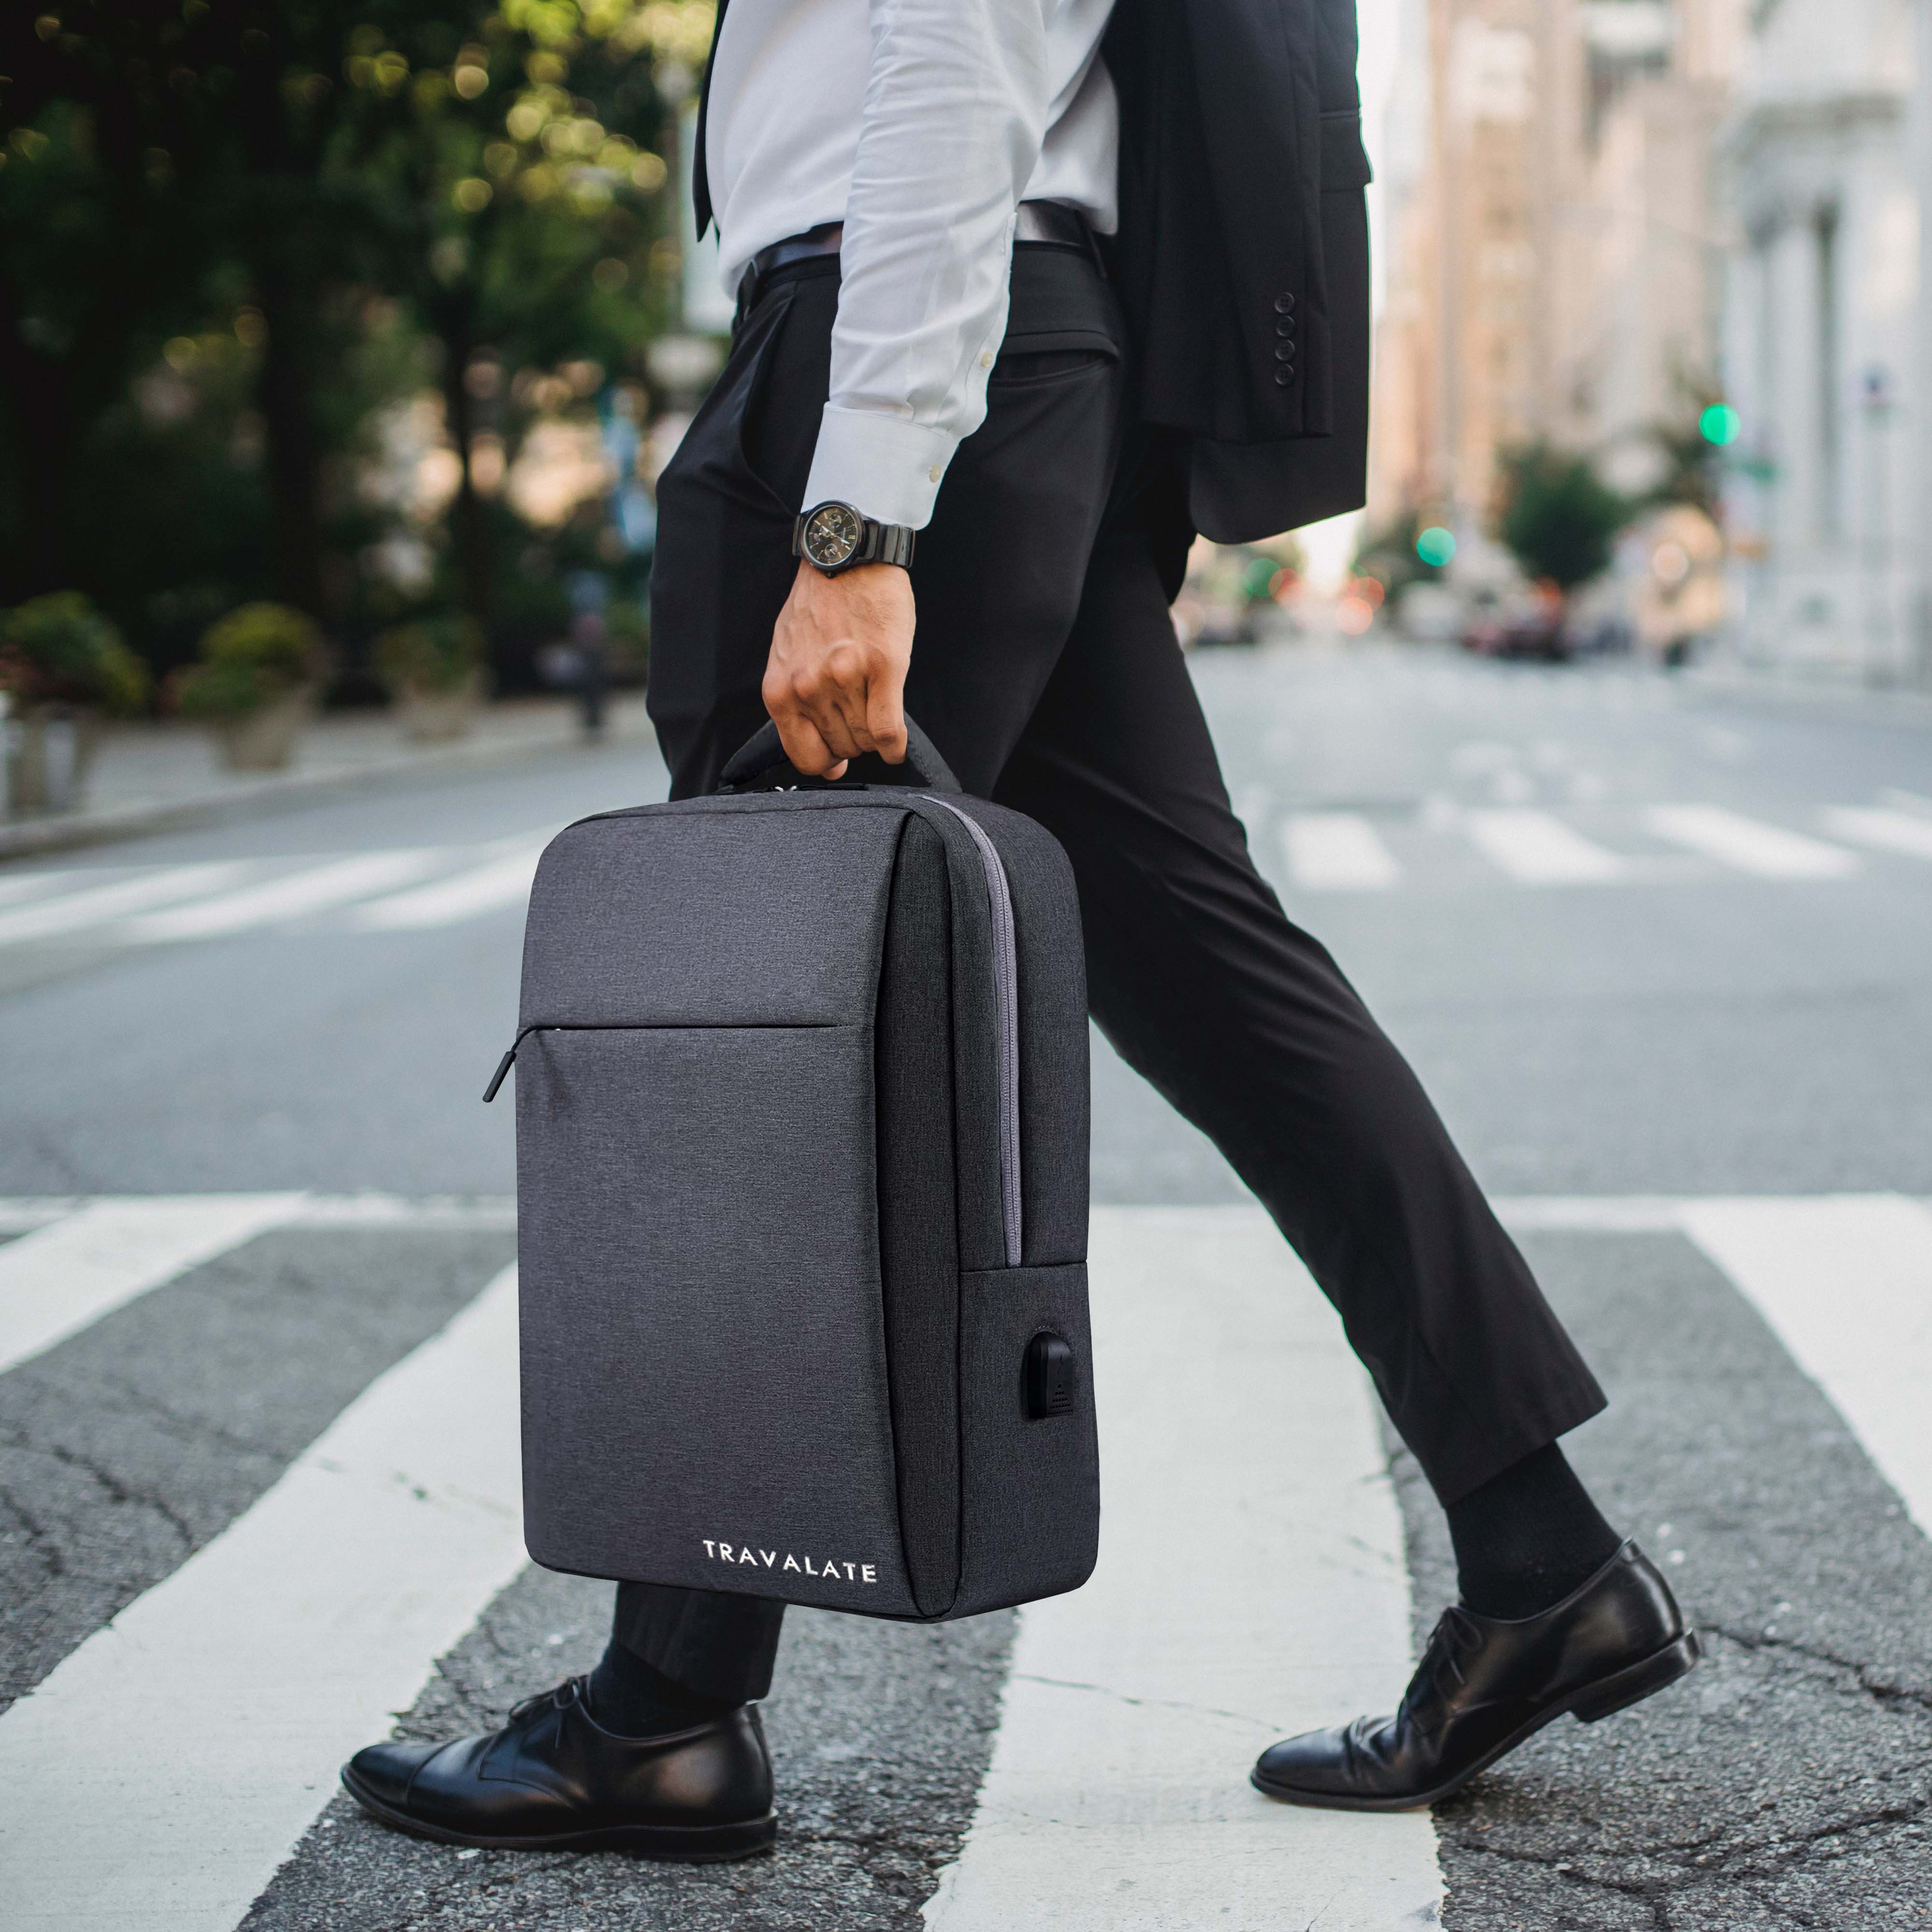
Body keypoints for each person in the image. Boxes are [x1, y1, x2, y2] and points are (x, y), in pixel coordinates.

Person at [341, 0, 1698, 1859]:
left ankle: (660, 1709)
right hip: (1015, 345)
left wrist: (853, 520)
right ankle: (1541, 1558)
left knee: (756, 994)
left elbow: (952, 62)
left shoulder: (879, 430)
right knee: (1209, 974)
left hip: (903, 347)